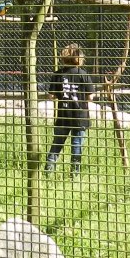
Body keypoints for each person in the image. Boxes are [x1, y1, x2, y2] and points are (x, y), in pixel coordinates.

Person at [44, 42, 95, 176]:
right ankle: (74, 174)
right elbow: (90, 97)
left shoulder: (57, 75)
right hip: (80, 117)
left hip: (63, 115)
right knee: (77, 146)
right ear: (79, 58)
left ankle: (48, 170)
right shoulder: (83, 74)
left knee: (57, 144)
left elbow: (51, 96)